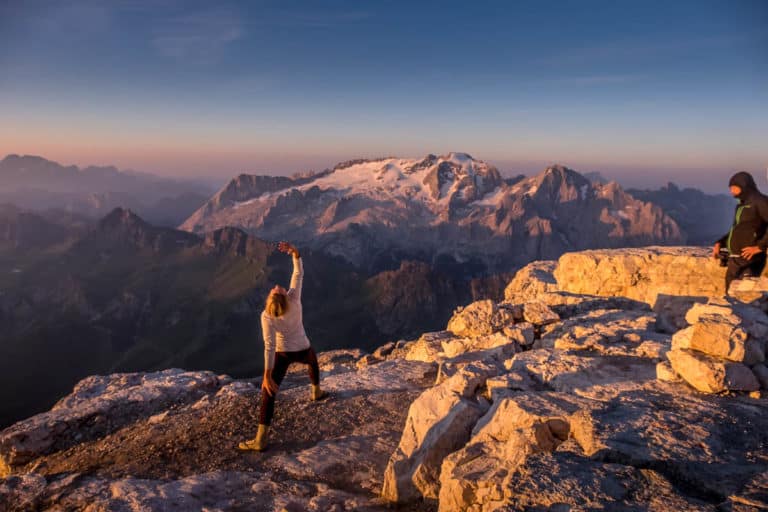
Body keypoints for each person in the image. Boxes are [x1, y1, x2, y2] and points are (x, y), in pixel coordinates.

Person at [238, 241, 327, 452]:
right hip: (303, 348)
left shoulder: (267, 316)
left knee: (269, 392)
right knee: (312, 361)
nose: (275, 287)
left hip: (283, 354)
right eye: (276, 290)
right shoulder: (293, 299)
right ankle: (316, 392)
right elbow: (298, 275)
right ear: (283, 298)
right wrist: (296, 253)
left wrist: (267, 374)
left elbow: (269, 345)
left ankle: (260, 438)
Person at [713, 172, 768, 292]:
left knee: (743, 296)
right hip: (736, 259)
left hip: (750, 260)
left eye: (734, 187)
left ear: (744, 186)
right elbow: (738, 229)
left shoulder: (761, 201)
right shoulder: (742, 204)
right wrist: (720, 243)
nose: (731, 191)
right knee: (730, 297)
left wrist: (760, 247)